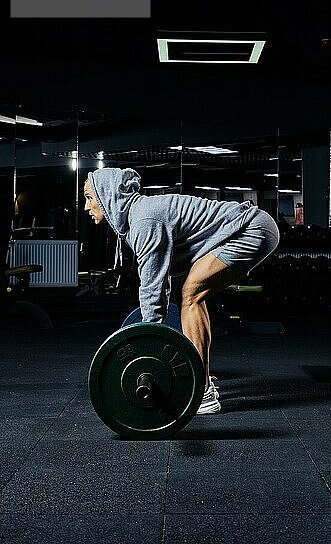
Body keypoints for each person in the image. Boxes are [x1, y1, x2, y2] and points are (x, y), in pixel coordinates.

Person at [84, 167, 279, 414]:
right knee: (189, 294)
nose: (86, 206)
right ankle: (203, 379)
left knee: (190, 294)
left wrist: (149, 337)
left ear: (107, 195)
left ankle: (202, 391)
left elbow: (151, 285)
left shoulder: (145, 220)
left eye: (90, 197)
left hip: (252, 229)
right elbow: (161, 281)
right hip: (250, 229)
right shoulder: (139, 219)